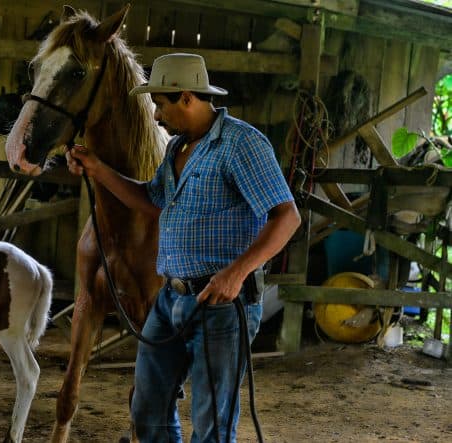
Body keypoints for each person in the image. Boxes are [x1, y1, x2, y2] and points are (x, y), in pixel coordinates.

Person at [66, 53, 301, 443]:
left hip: (222, 303)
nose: (156, 117)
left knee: (211, 419)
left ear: (187, 97)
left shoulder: (241, 143)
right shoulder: (177, 149)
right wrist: (99, 170)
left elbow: (287, 216)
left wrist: (237, 272)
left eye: (160, 105)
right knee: (147, 407)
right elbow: (153, 201)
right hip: (169, 297)